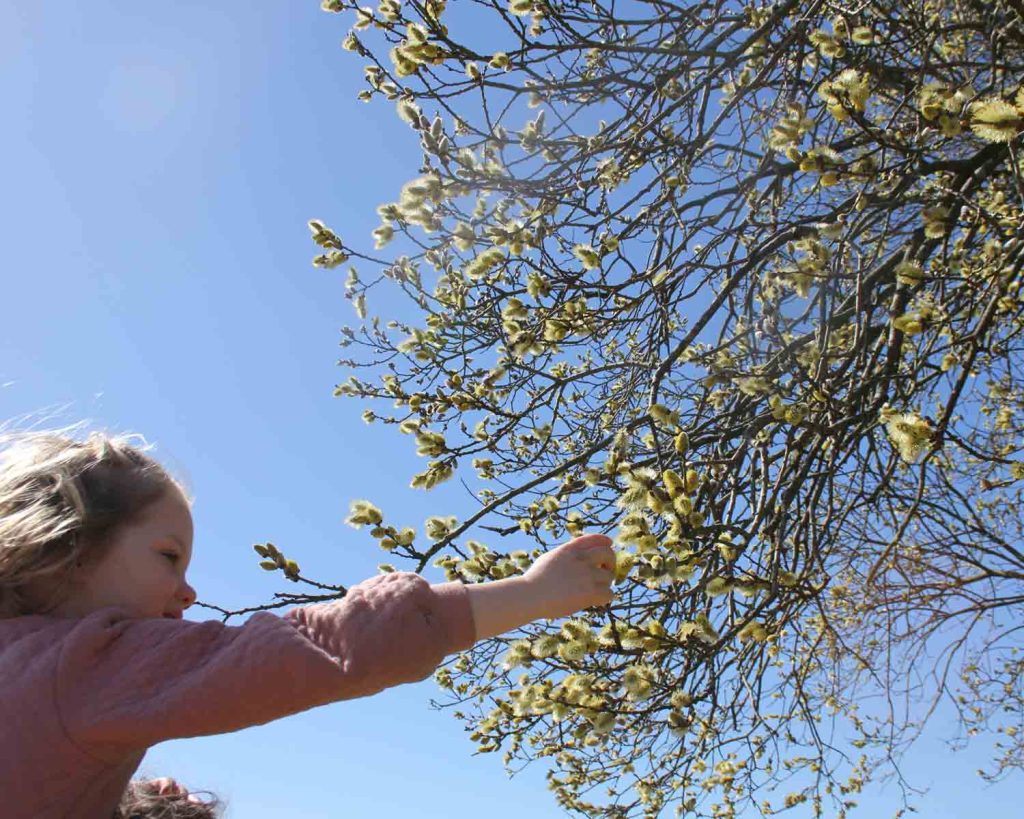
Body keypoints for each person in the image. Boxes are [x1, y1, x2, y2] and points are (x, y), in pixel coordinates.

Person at [0, 425, 616, 819]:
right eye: (168, 557)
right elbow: (315, 649)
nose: (188, 592)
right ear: (64, 547)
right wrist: (535, 594)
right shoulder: (83, 664)